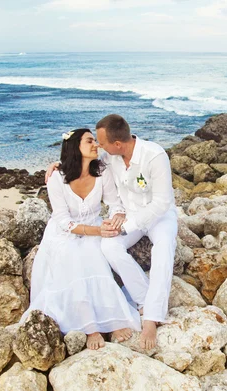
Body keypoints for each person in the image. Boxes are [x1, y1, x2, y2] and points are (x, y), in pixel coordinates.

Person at [46, 114, 178, 350]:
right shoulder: (110, 157)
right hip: (127, 216)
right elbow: (77, 165)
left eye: (101, 142)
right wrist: (57, 164)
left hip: (158, 216)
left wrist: (125, 225)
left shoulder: (155, 156)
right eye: (94, 142)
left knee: (164, 249)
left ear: (117, 144)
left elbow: (162, 203)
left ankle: (151, 318)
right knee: (109, 247)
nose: (98, 146)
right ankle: (142, 300)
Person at [23, 128, 141, 350]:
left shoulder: (101, 171)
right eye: (89, 141)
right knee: (73, 257)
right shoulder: (56, 178)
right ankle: (90, 328)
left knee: (97, 255)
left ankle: (113, 319)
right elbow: (62, 221)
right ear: (75, 147)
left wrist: (115, 219)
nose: (95, 144)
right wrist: (97, 232)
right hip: (63, 233)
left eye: (95, 141)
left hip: (94, 225)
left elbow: (115, 203)